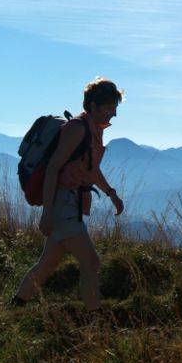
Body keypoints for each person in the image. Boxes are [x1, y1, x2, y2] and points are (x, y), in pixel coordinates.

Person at [9, 78, 125, 313]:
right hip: (64, 203)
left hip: (70, 203)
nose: (113, 114)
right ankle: (95, 319)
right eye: (109, 108)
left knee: (49, 262)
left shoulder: (93, 130)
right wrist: (48, 213)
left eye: (114, 107)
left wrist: (111, 193)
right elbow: (53, 168)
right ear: (93, 106)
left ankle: (16, 306)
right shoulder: (76, 130)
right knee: (91, 261)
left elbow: (89, 167)